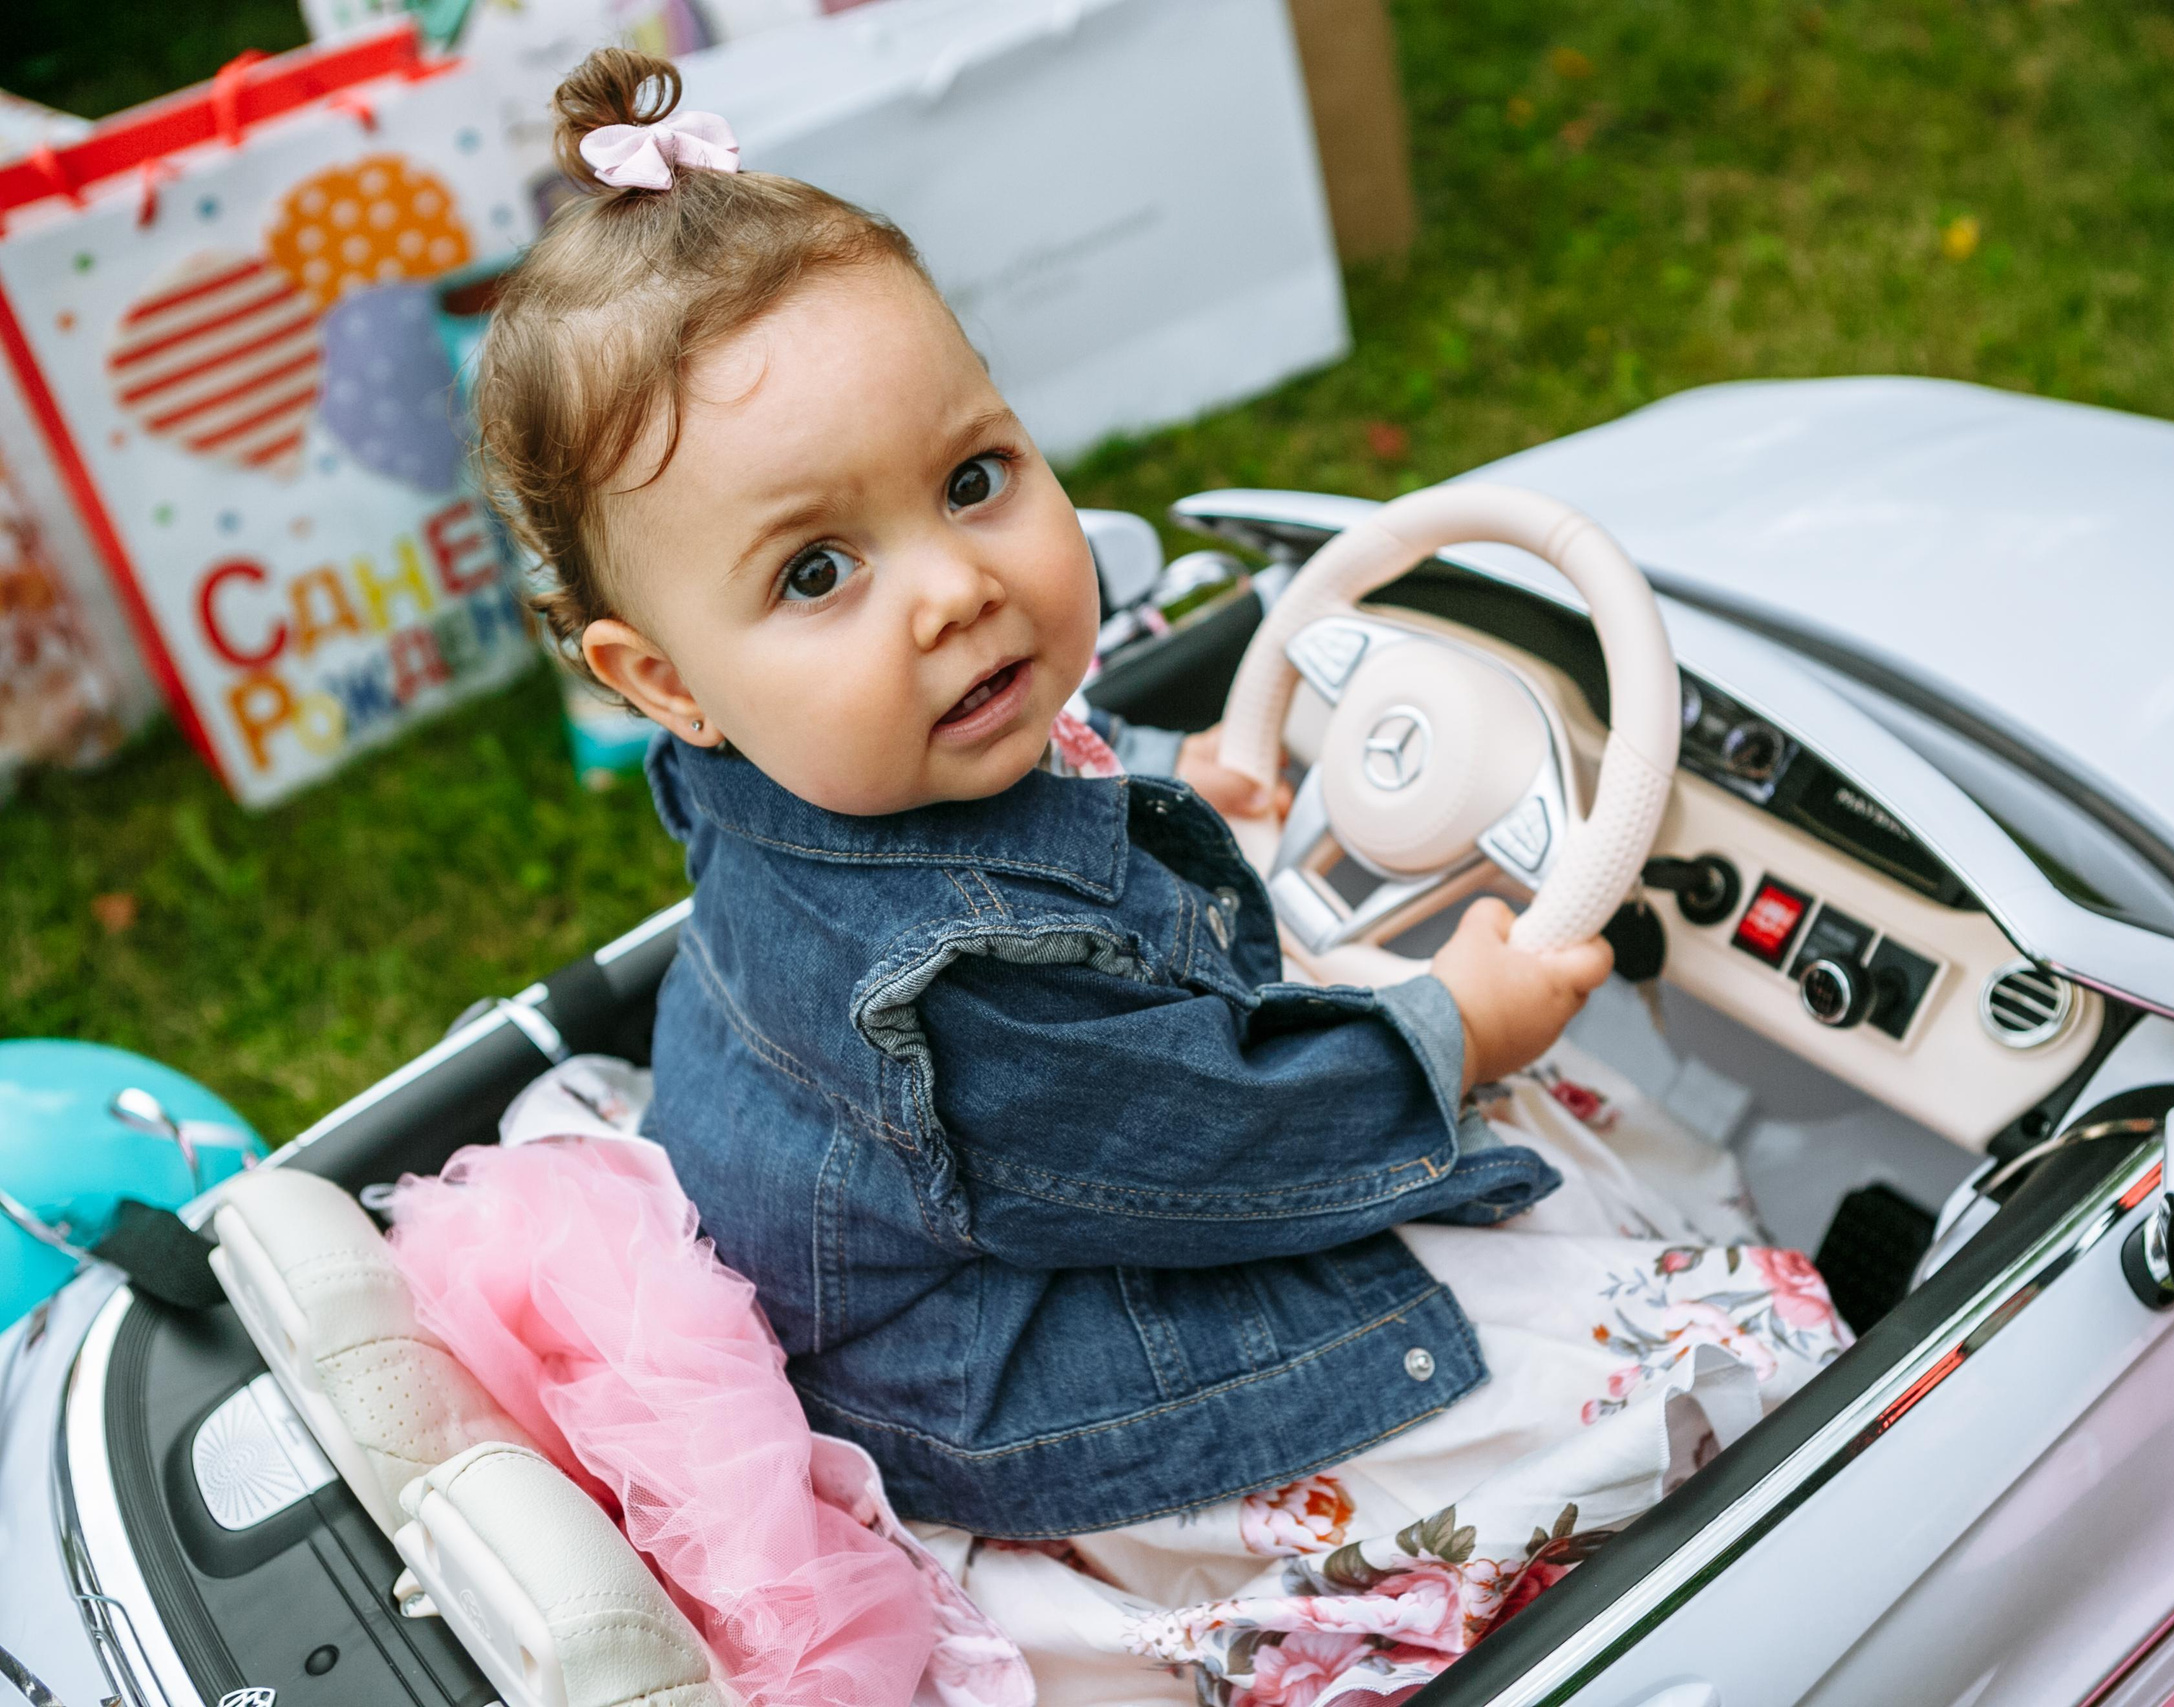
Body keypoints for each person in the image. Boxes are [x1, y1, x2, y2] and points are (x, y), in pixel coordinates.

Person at [474, 50, 1850, 1706]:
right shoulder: (951, 993)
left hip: (985, 1196)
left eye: (974, 479)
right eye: (819, 569)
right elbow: (1221, 1140)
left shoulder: (856, 748)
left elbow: (1041, 777)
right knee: (1639, 1370)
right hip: (1024, 1351)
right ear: (667, 683)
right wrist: (1452, 1037)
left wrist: (1160, 778)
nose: (955, 594)